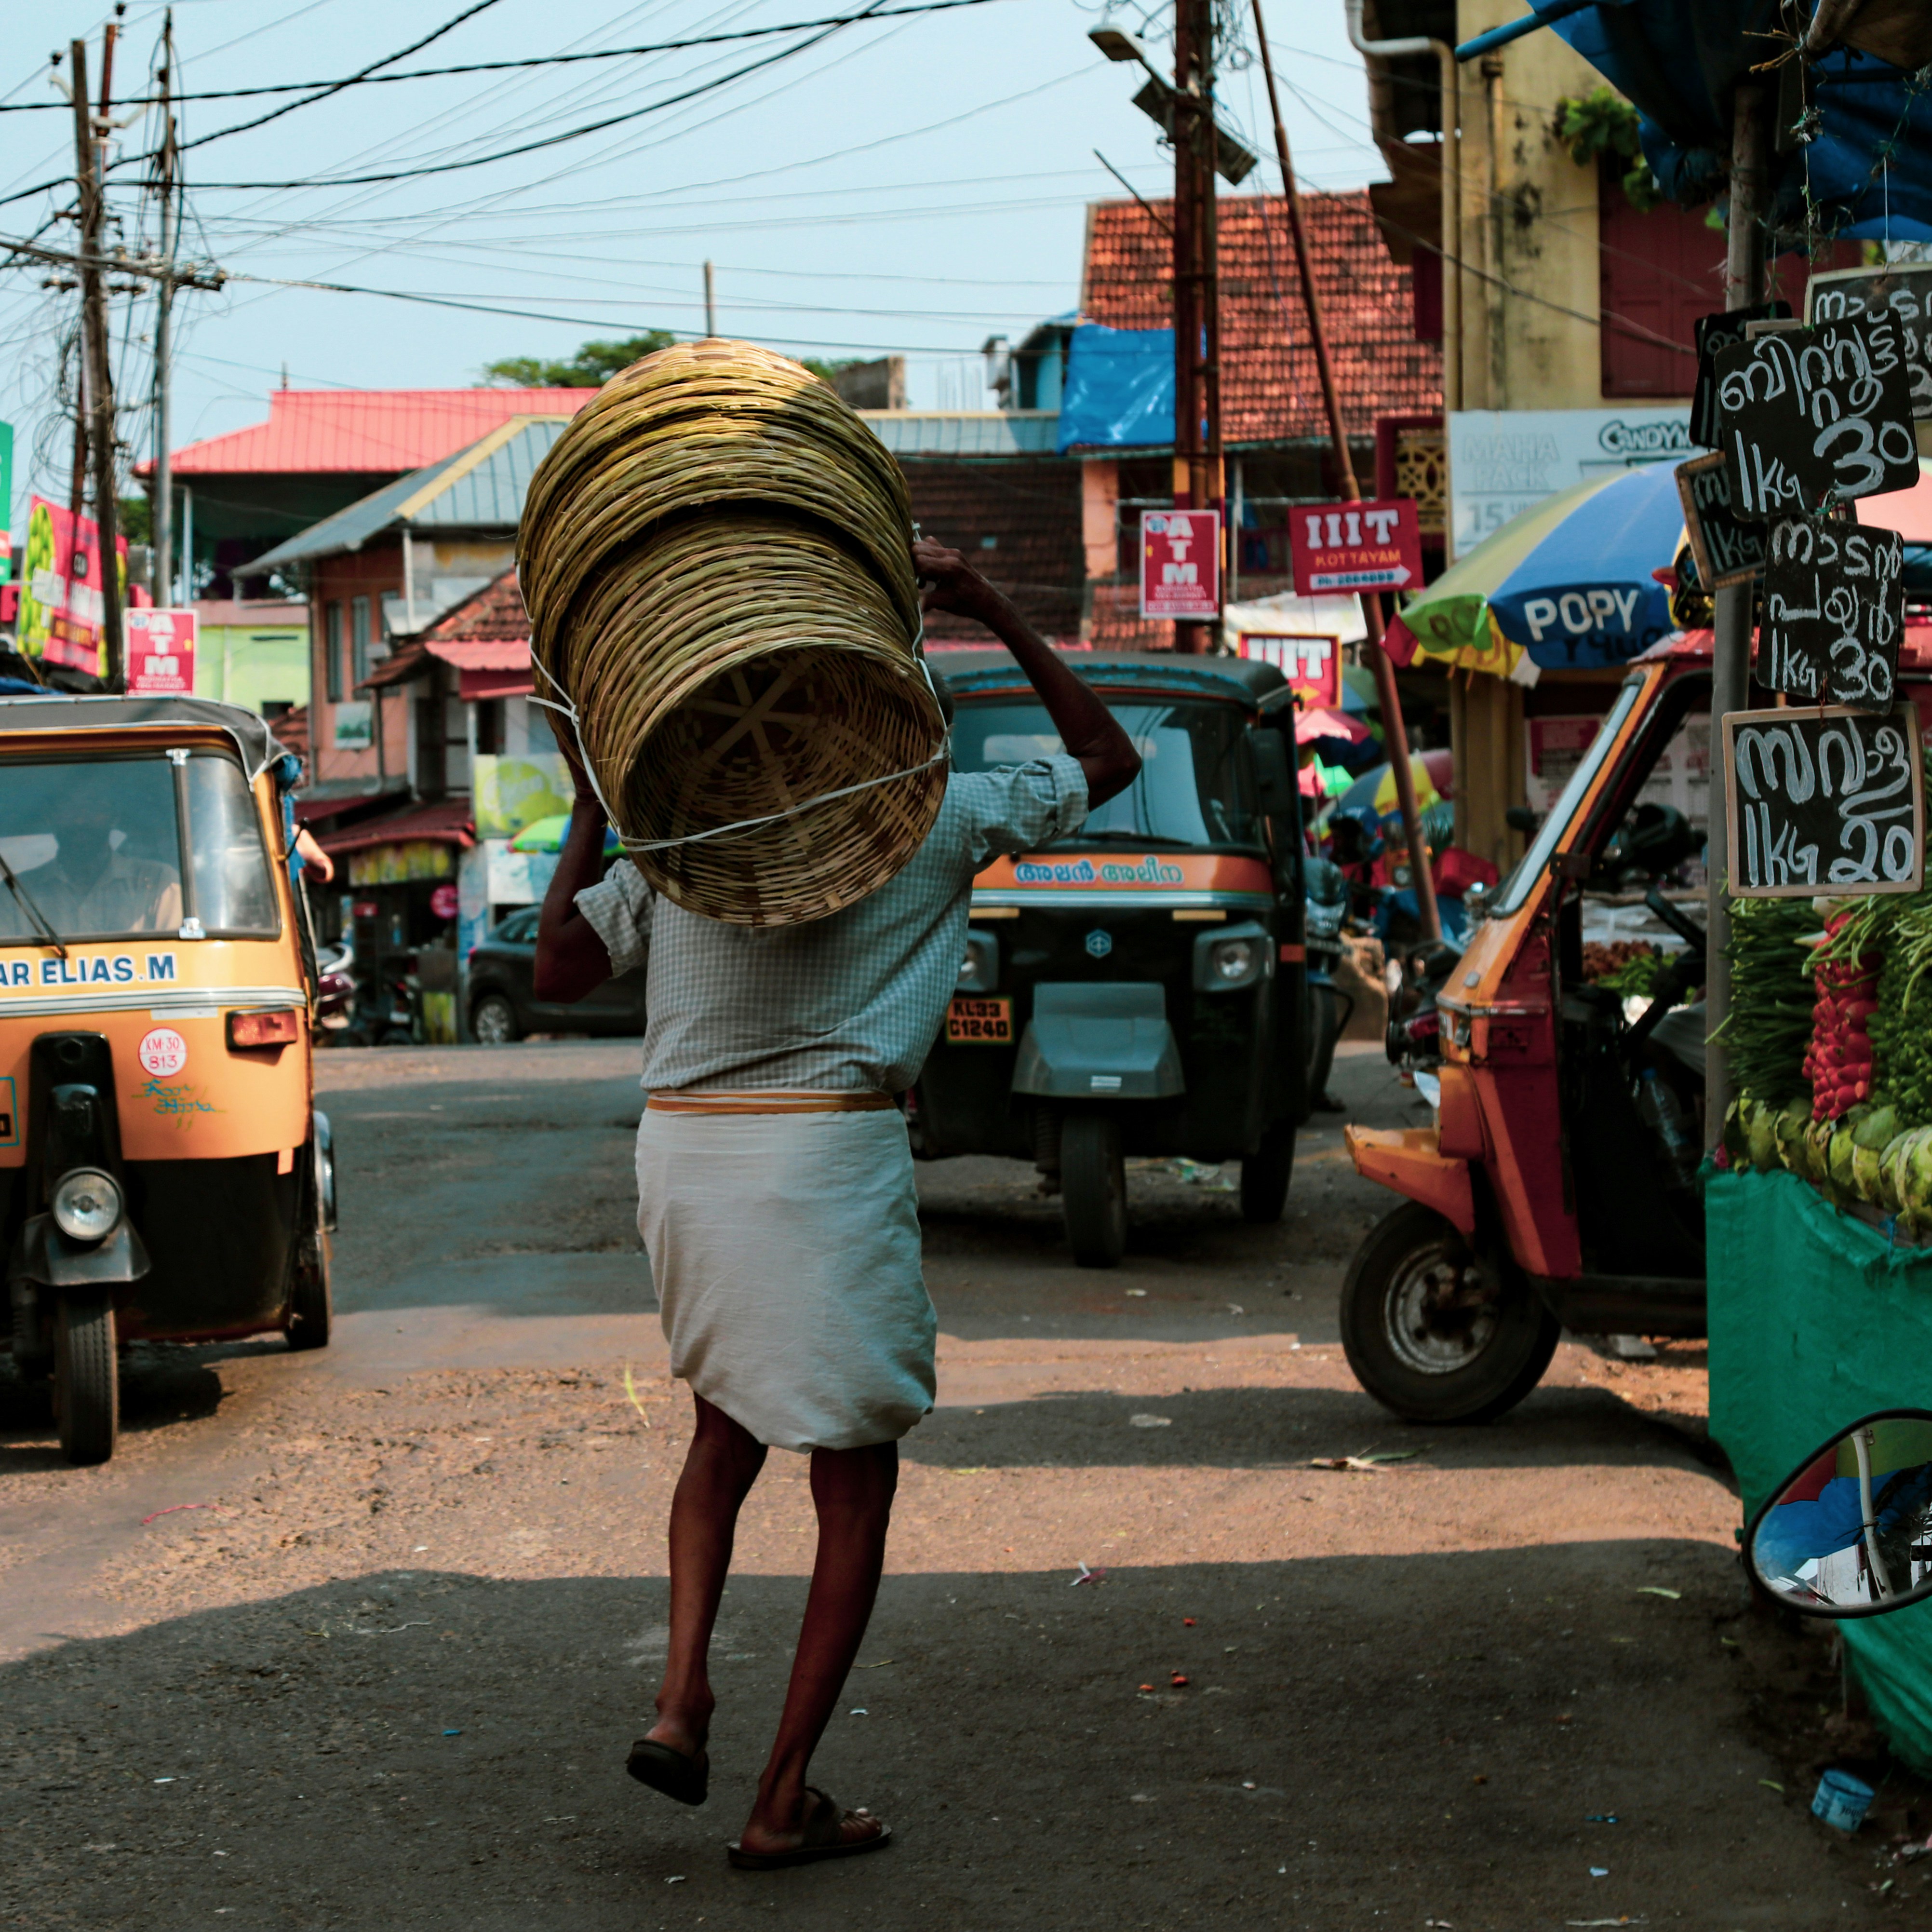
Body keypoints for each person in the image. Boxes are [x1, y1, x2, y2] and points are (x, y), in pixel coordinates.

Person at [533, 539, 1140, 1869]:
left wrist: (599, 797)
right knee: (854, 1477)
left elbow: (560, 964)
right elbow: (1109, 762)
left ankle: (684, 1699)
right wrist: (994, 603)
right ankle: (779, 1797)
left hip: (685, 1161)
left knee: (722, 1428)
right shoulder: (940, 811)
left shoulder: (704, 827)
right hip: (820, 1157)